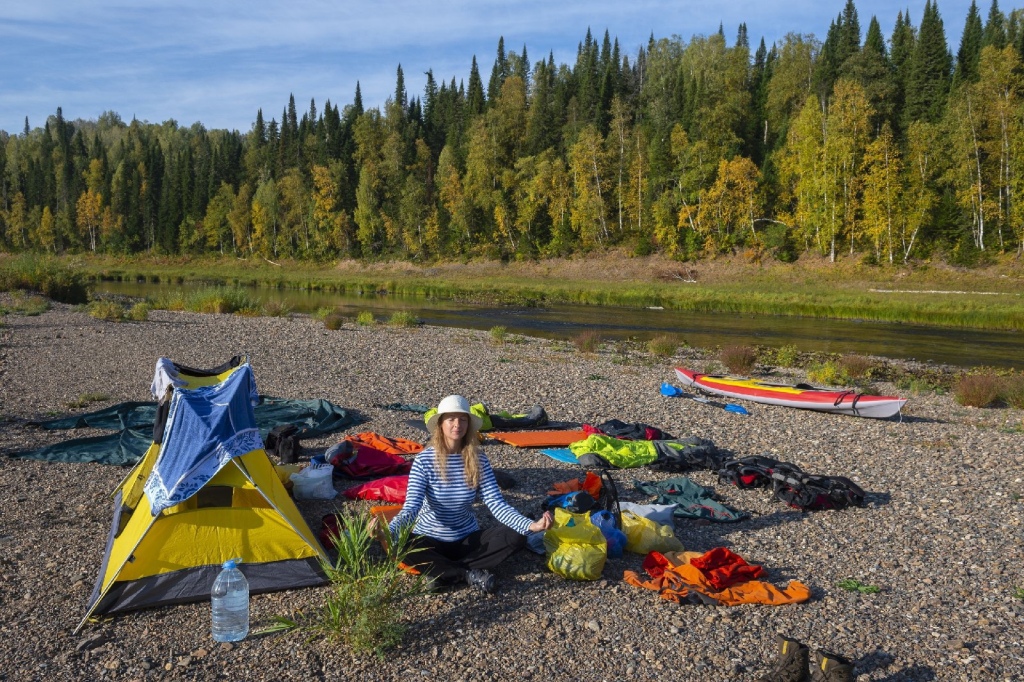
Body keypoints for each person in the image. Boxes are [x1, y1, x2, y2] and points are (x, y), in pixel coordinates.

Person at [383, 394, 552, 594]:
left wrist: (531, 526)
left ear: (469, 425)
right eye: (451, 419)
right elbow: (411, 507)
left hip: (466, 538)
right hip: (430, 538)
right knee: (401, 545)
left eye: (463, 419)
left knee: (517, 536)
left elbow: (496, 503)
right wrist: (389, 531)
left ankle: (442, 572)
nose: (457, 424)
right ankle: (467, 573)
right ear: (441, 424)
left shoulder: (478, 459)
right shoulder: (424, 460)